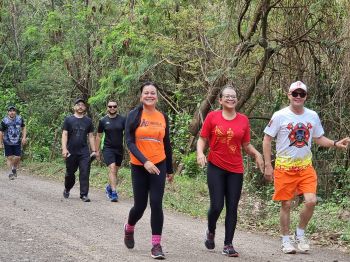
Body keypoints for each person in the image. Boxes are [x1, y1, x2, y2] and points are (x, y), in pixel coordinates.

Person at [263, 81, 350, 254]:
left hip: (305, 168)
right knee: (286, 204)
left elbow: (318, 138)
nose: (297, 97)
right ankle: (286, 240)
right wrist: (267, 165)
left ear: (305, 97)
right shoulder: (280, 115)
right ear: (288, 95)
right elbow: (267, 139)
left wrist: (335, 143)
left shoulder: (312, 115)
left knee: (311, 201)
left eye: (301, 94)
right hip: (284, 167)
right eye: (294, 93)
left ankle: (300, 233)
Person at [196, 85, 264, 257]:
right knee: (217, 206)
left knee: (232, 207)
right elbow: (202, 139)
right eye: (227, 96)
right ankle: (211, 230)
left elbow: (246, 145)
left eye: (233, 96)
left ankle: (228, 244)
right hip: (216, 167)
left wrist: (256, 154)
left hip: (236, 169)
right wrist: (199, 153)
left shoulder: (243, 120)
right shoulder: (213, 117)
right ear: (220, 100)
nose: (231, 99)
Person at [123, 81, 173, 260]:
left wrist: (170, 170)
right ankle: (129, 227)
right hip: (139, 166)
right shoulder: (134, 115)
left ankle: (156, 245)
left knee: (156, 203)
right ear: (141, 96)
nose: (150, 95)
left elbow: (166, 143)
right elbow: (129, 142)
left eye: (153, 93)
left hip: (159, 164)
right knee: (140, 206)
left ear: (157, 97)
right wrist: (144, 162)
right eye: (146, 93)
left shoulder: (162, 116)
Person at [61, 98, 96, 202]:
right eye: (78, 104)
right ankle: (67, 188)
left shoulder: (88, 121)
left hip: (84, 152)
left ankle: (84, 195)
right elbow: (65, 134)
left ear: (85, 108)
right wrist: (64, 148)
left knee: (85, 172)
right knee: (70, 174)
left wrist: (94, 150)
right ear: (74, 107)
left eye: (82, 105)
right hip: (71, 151)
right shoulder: (68, 119)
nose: (80, 106)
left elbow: (90, 136)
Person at [95, 100, 126, 202]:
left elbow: (128, 134)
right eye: (110, 106)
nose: (112, 108)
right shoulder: (103, 121)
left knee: (115, 171)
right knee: (112, 168)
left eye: (114, 106)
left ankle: (109, 187)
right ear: (107, 107)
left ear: (117, 107)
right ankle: (114, 192)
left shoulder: (122, 119)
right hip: (108, 148)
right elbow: (98, 136)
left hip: (119, 149)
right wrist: (97, 151)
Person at [0, 105, 27, 180]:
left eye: (13, 111)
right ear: (8, 112)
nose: (12, 112)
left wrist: (24, 137)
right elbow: (1, 132)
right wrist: (0, 143)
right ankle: (11, 172)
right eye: (10, 111)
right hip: (7, 141)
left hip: (17, 141)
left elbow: (24, 127)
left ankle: (14, 168)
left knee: (17, 157)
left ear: (15, 112)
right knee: (10, 157)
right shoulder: (4, 121)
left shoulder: (20, 119)